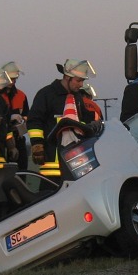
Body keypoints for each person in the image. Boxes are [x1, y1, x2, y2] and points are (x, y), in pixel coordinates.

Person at [28, 59, 99, 188]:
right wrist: (37, 145)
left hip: (74, 163)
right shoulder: (46, 94)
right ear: (67, 77)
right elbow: (34, 121)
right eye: (78, 80)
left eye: (82, 81)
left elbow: (82, 121)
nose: (81, 84)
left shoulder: (77, 97)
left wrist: (97, 122)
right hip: (51, 164)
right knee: (48, 195)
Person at [0, 61, 30, 171]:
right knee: (4, 173)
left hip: (18, 138)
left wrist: (22, 122)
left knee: (22, 170)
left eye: (14, 79)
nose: (12, 82)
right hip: (2, 140)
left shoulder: (21, 95)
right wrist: (9, 118)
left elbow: (27, 116)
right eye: (10, 78)